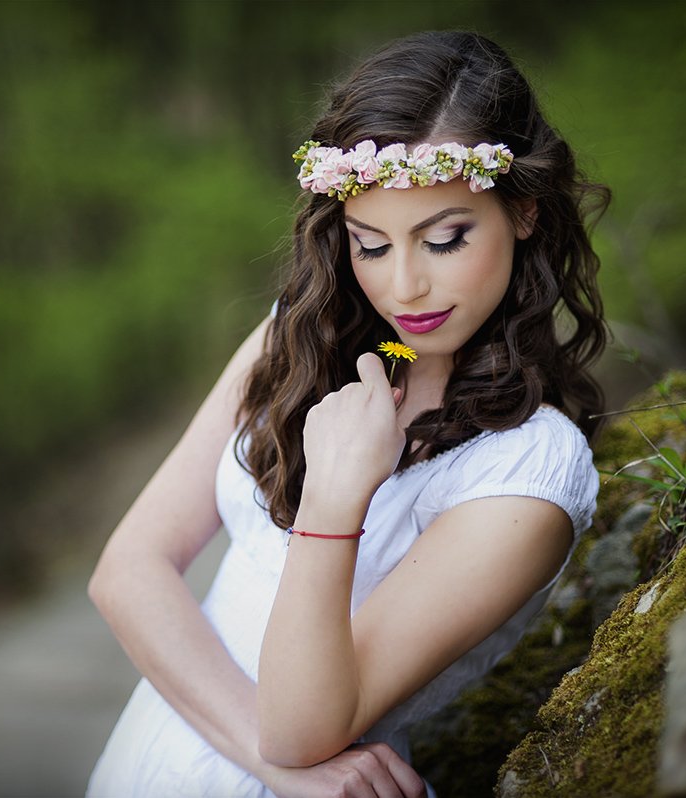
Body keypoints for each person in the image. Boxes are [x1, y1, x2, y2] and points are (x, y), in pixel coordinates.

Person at [86, 30, 608, 798]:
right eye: (371, 245)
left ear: (523, 212)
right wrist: (265, 757)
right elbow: (127, 570)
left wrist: (333, 501)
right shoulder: (297, 339)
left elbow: (300, 730)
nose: (405, 287)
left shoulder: (528, 470)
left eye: (445, 239)